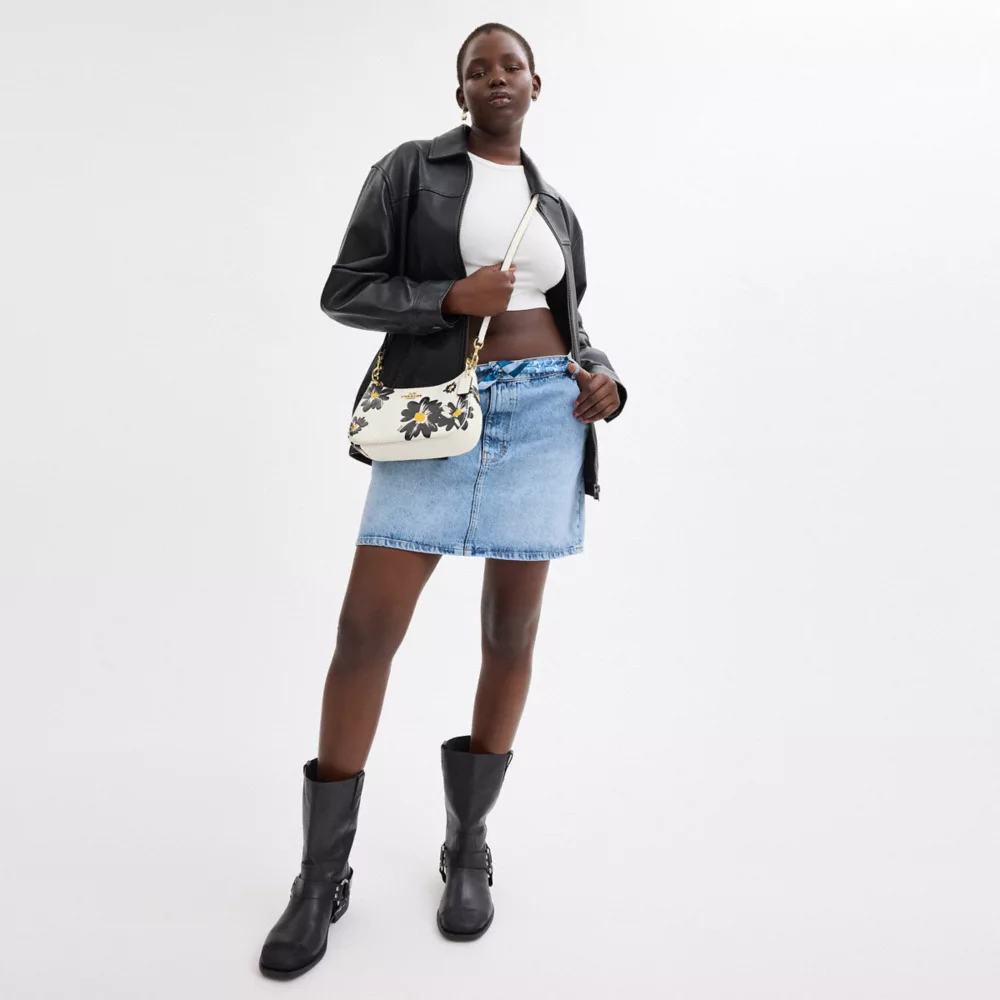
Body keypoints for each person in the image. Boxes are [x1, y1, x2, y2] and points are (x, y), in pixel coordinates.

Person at [258, 22, 628, 979]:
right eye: (477, 69)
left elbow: (575, 323)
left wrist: (606, 381)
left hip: (547, 418)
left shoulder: (556, 207)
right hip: (435, 411)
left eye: (511, 66)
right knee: (364, 632)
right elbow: (346, 290)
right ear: (459, 90)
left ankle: (467, 849)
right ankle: (319, 878)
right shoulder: (410, 171)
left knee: (511, 633)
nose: (495, 78)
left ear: (536, 85)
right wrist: (448, 300)